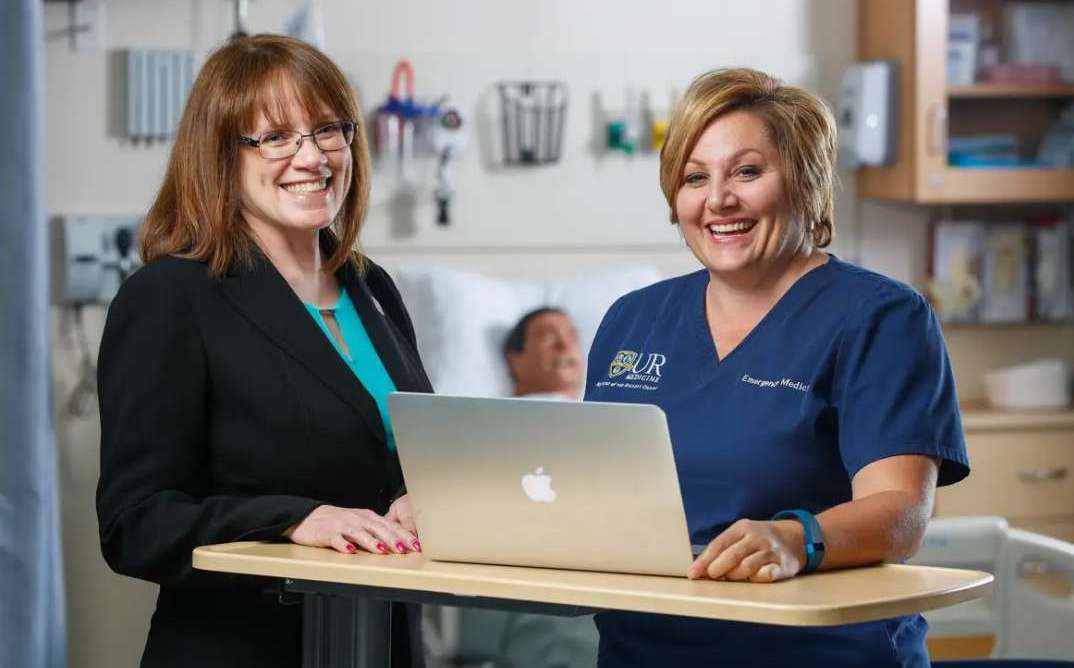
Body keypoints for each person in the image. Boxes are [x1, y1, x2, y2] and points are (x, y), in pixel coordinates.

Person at [584, 68, 969, 666]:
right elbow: (585, 493)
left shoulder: (881, 318)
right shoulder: (632, 321)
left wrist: (795, 539)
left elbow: (901, 513)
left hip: (817, 652)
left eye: (747, 171)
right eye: (694, 178)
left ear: (806, 184)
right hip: (645, 648)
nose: (718, 201)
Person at [95, 35, 430, 667]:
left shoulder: (371, 287)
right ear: (221, 157)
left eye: (328, 129)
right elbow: (135, 523)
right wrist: (295, 519)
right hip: (243, 648)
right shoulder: (170, 298)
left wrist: (431, 497)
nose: (312, 156)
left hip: (380, 642)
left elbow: (399, 456)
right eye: (275, 137)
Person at [503, 307, 584, 400]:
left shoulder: (597, 411)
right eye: (547, 336)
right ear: (514, 361)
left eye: (572, 336)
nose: (565, 345)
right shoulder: (492, 413)